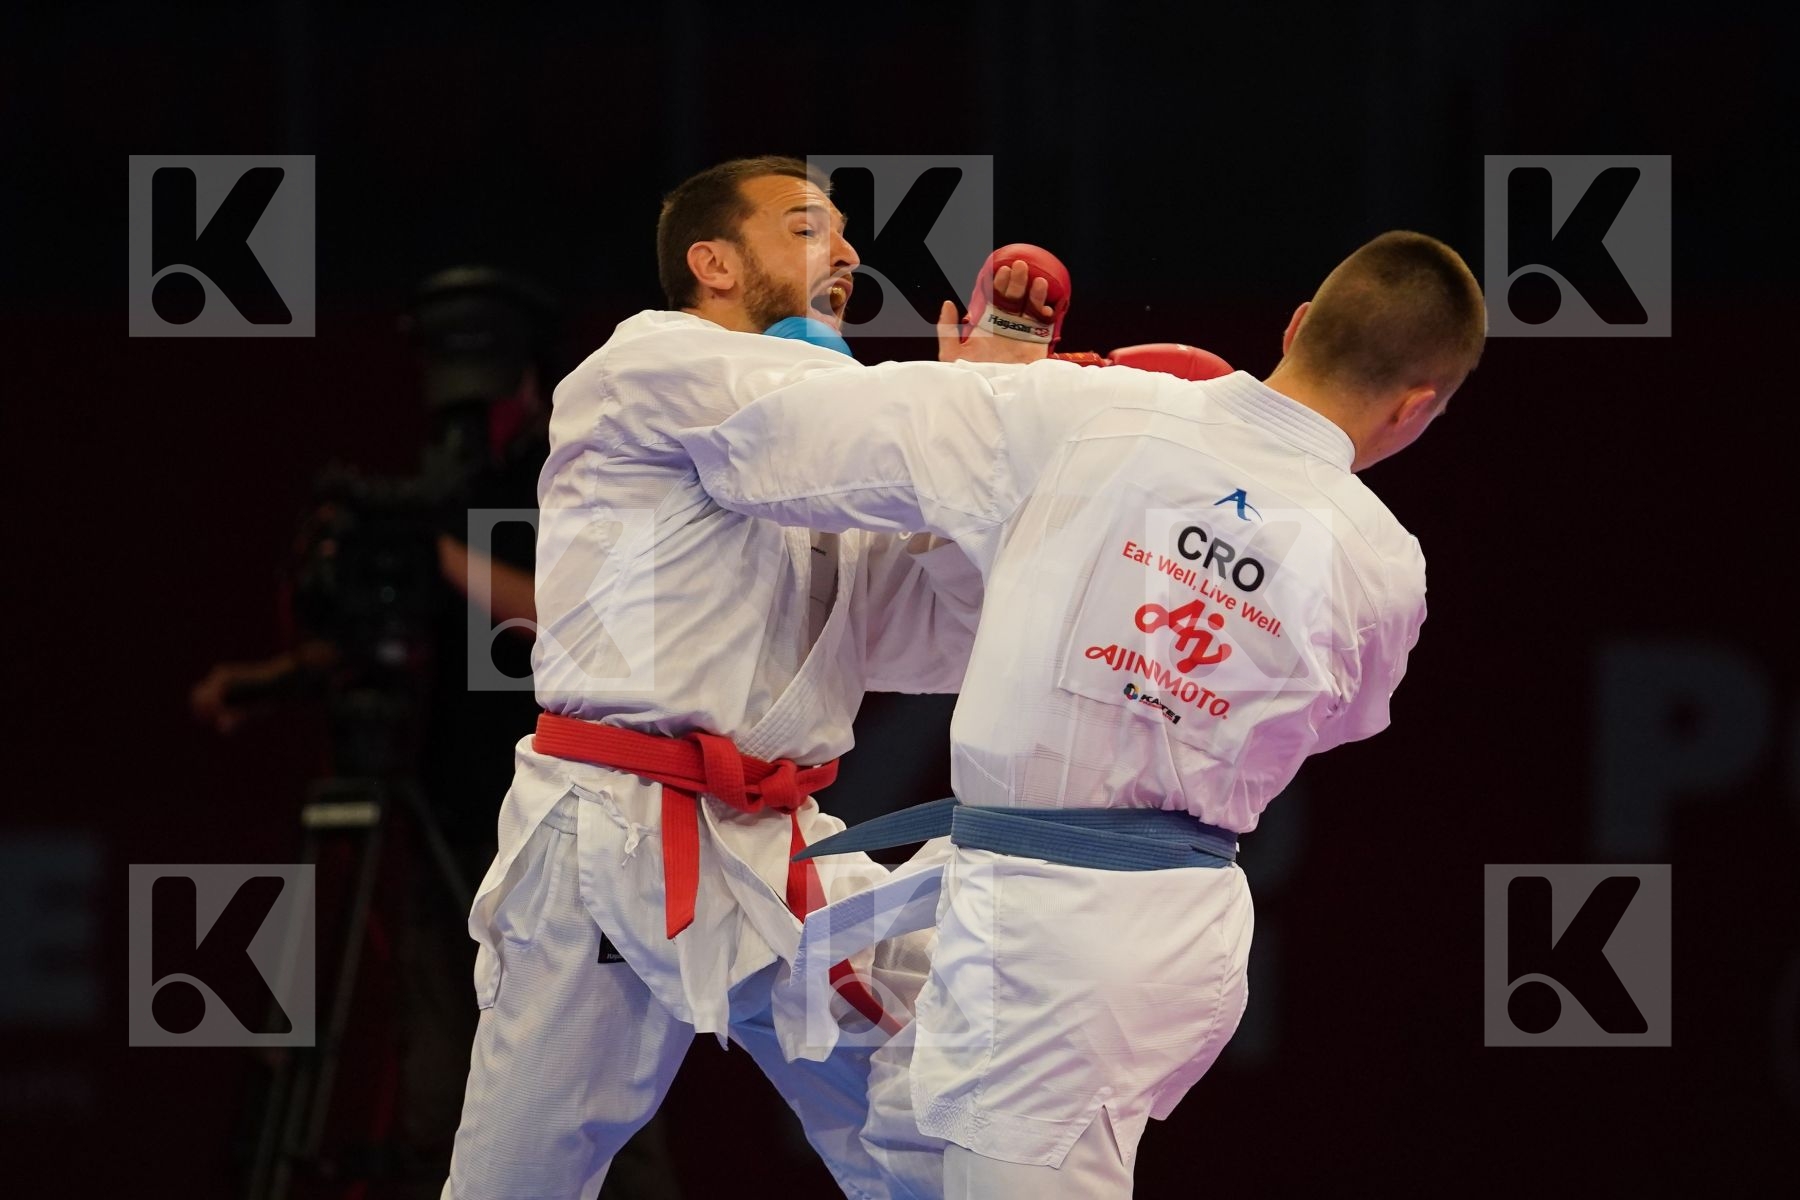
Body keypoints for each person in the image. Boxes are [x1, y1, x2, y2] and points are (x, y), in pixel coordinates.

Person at [673, 230, 1487, 1197]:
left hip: (1067, 939)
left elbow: (788, 448)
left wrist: (983, 397)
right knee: (902, 1152)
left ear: (1299, 324)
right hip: (1144, 916)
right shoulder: (1387, 564)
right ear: (1418, 406)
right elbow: (1337, 719)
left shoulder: (1095, 410)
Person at [441, 156, 1046, 1200]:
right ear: (711, 261)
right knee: (517, 1182)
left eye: (850, 235)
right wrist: (989, 398)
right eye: (810, 227)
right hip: (613, 832)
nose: (849, 252)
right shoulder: (651, 366)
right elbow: (840, 437)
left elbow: (928, 635)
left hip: (777, 843)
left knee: (933, 1125)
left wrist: (980, 455)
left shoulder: (830, 440)